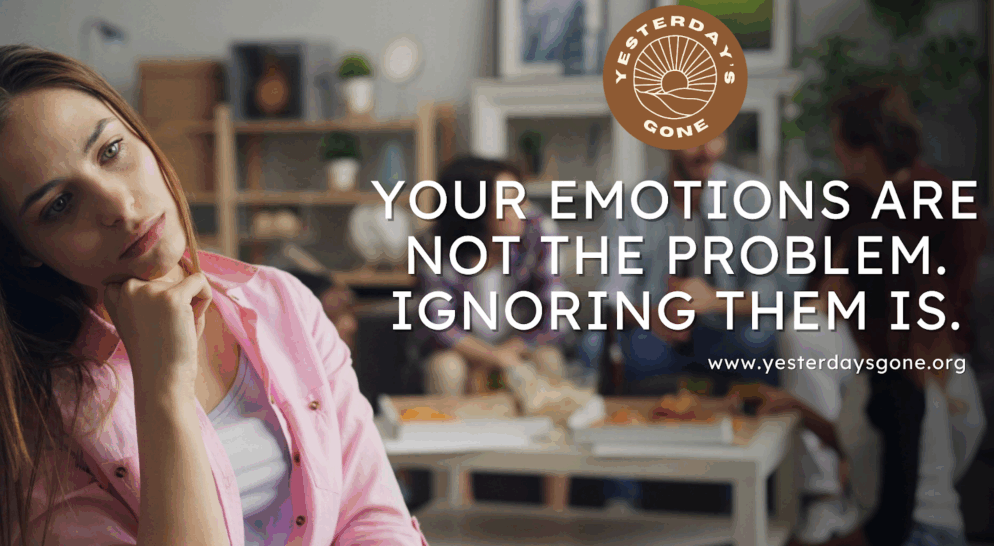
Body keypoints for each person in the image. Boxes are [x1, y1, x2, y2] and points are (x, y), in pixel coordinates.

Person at [0, 45, 427, 546]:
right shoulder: (31, 414)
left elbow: (372, 517)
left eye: (111, 151)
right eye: (60, 205)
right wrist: (163, 389)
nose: (120, 205)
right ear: (24, 251)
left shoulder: (280, 302)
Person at [579, 133, 784, 509]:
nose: (707, 150)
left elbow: (776, 290)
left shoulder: (752, 195)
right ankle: (620, 498)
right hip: (656, 333)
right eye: (694, 139)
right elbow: (611, 292)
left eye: (717, 138)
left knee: (761, 343)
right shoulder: (632, 202)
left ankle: (750, 498)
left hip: (727, 331)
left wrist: (714, 300)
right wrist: (652, 315)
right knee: (594, 347)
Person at [760, 226, 985, 546]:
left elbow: (889, 527)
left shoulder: (894, 387)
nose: (824, 281)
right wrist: (802, 412)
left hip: (921, 536)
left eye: (835, 272)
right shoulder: (881, 370)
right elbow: (872, 446)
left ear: (857, 291)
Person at [415, 156, 579, 509]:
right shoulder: (434, 245)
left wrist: (506, 355)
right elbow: (440, 327)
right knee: (445, 369)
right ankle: (456, 507)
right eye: (509, 200)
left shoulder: (539, 230)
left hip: (522, 346)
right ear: (473, 211)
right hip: (462, 352)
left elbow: (555, 316)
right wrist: (488, 358)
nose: (522, 208)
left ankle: (556, 511)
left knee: (549, 361)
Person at [812, 81, 987, 355]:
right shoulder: (851, 199)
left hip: (930, 348)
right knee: (802, 331)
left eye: (838, 140)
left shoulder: (949, 204)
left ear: (867, 151)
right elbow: (817, 288)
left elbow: (950, 303)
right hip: (855, 337)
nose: (834, 150)